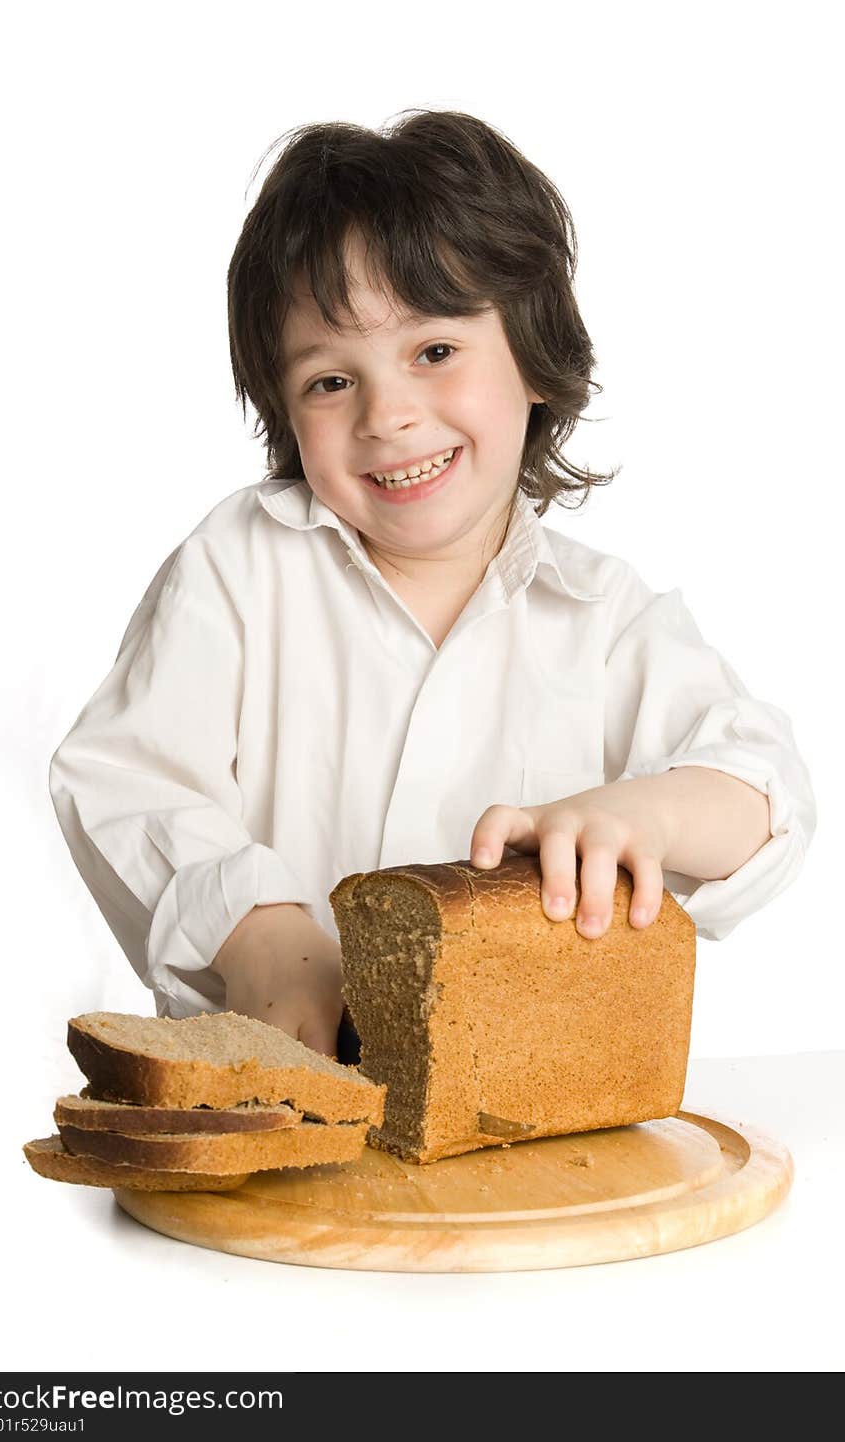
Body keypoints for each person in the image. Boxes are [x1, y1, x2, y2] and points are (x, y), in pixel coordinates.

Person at [49, 110, 815, 1057]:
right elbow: (119, 778)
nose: (389, 416)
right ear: (284, 410)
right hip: (285, 1103)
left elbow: (765, 789)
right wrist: (263, 936)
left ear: (534, 357)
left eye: (435, 353)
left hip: (527, 1117)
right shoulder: (241, 565)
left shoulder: (604, 619)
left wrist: (641, 815)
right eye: (330, 381)